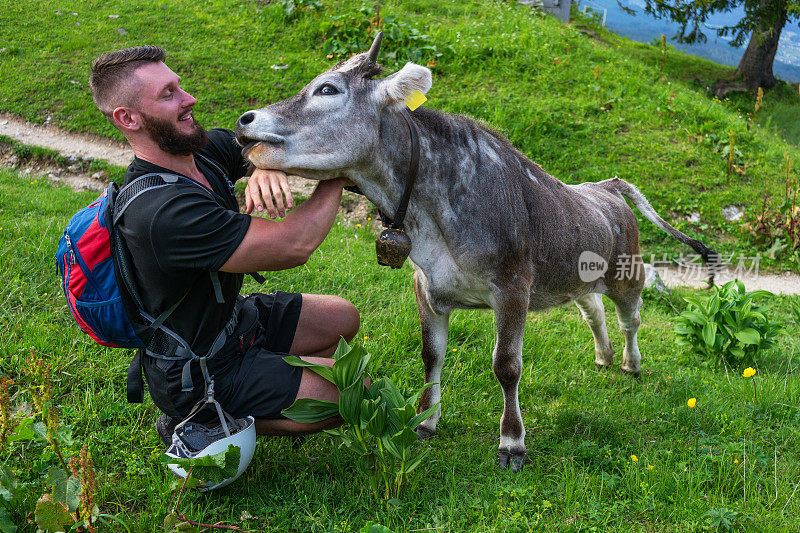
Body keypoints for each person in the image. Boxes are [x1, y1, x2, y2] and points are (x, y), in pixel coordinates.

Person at [88, 45, 359, 444]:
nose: (188, 99)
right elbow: (294, 245)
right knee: (351, 392)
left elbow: (258, 147)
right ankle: (198, 421)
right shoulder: (162, 212)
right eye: (168, 95)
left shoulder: (202, 152)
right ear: (127, 118)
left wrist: (261, 166)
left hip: (234, 323)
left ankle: (269, 374)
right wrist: (340, 170)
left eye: (179, 86)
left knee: (342, 318)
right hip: (201, 368)